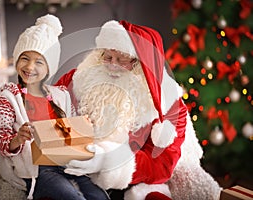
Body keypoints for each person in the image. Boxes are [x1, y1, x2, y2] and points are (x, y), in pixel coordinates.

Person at [55, 20, 222, 199]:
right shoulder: (78, 78)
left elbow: (161, 165)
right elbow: (47, 111)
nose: (112, 65)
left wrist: (107, 162)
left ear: (141, 64)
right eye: (107, 57)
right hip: (67, 171)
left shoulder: (168, 104)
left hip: (126, 187)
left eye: (122, 60)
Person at [0, 14, 109, 200]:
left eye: (39, 62)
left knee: (99, 196)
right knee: (73, 197)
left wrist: (84, 129)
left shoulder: (60, 95)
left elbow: (70, 133)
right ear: (16, 60)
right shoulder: (9, 96)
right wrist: (17, 139)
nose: (30, 67)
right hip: (37, 170)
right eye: (25, 58)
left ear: (49, 68)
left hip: (65, 162)